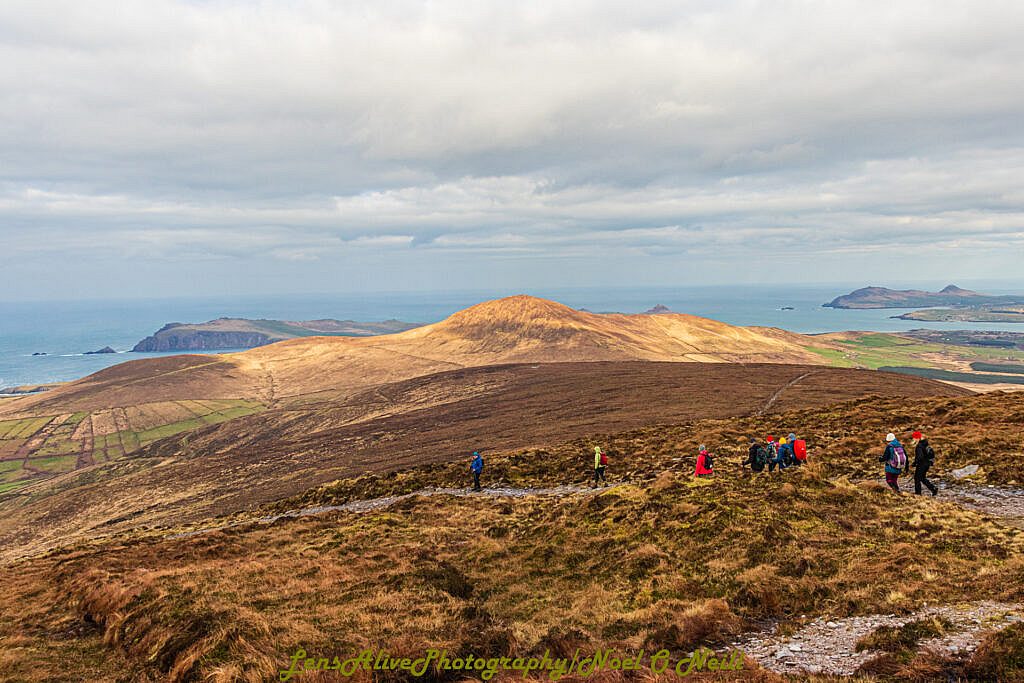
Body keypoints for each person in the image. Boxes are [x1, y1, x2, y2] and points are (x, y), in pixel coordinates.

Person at [911, 430, 938, 496]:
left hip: (921, 465)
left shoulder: (919, 446)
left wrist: (915, 463)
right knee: (922, 478)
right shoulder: (925, 443)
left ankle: (918, 494)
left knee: (917, 478)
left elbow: (920, 457)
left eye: (914, 438)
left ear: (916, 438)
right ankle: (933, 488)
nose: (913, 439)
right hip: (927, 464)